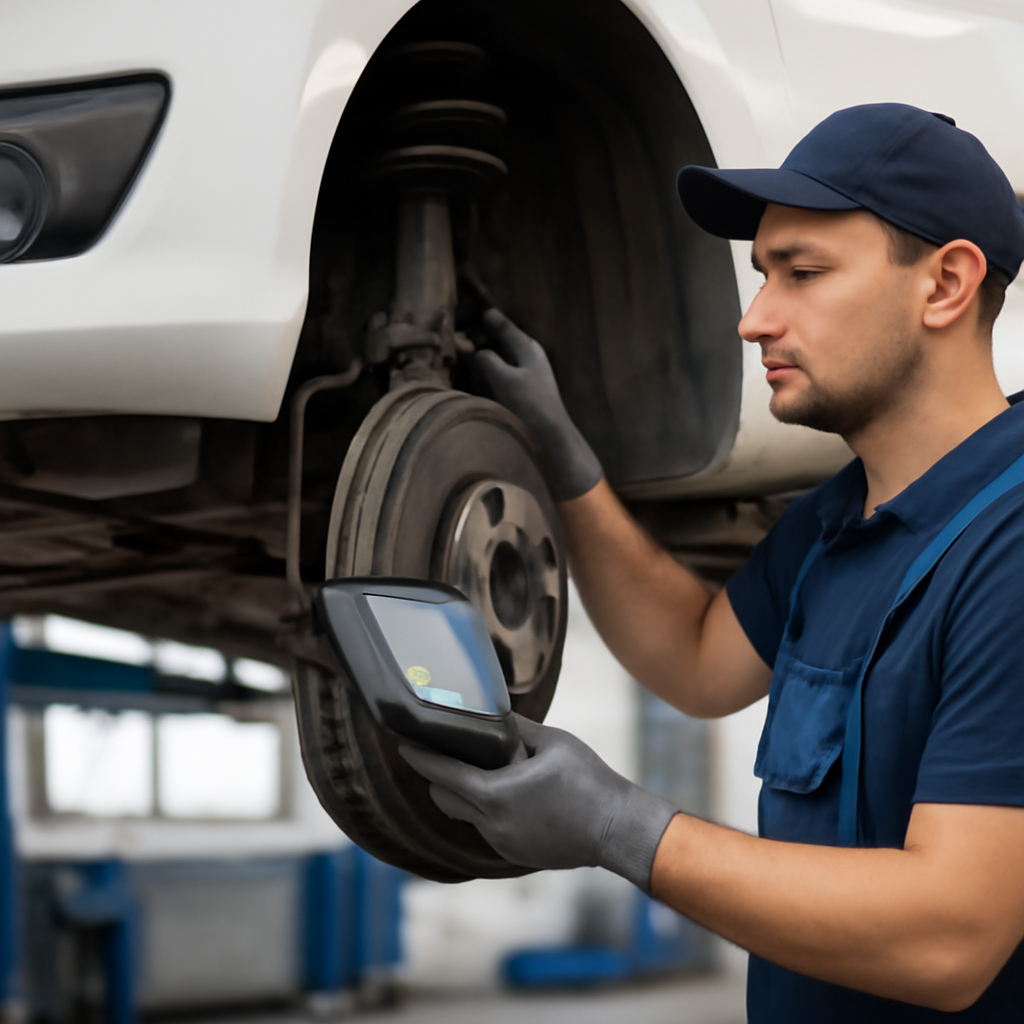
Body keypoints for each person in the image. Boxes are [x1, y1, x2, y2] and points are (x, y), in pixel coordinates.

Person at [399, 103, 1024, 1020]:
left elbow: (950, 939)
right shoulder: (834, 521)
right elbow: (695, 657)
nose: (753, 319)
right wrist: (568, 464)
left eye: (802, 273)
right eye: (762, 274)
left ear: (945, 285)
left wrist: (620, 827)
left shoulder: (1009, 546)